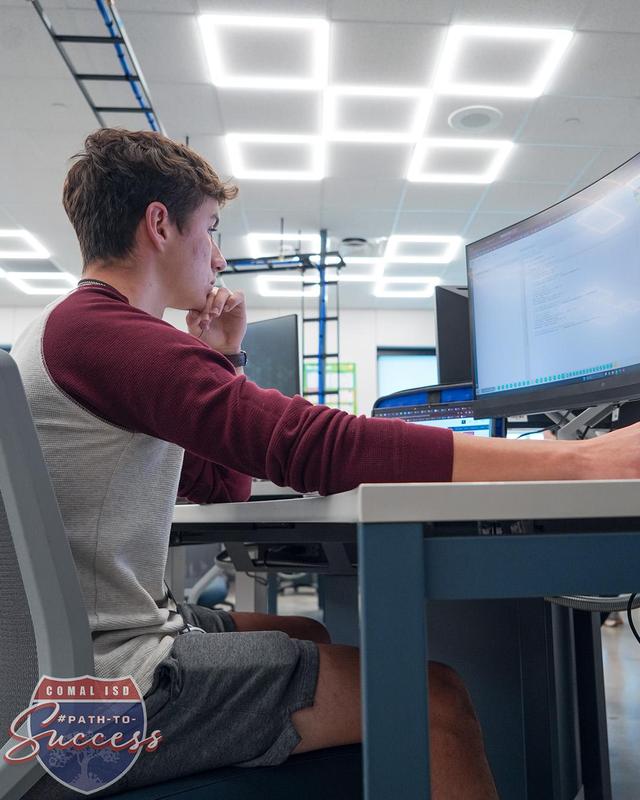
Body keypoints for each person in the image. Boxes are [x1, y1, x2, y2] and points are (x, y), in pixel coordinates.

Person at [15, 129, 640, 800]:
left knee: (305, 630)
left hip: (76, 660)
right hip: (113, 693)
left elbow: (222, 480)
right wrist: (578, 460)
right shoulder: (109, 337)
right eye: (212, 229)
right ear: (160, 224)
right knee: (436, 698)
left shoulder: (70, 330)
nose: (219, 256)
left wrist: (225, 357)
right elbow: (313, 446)